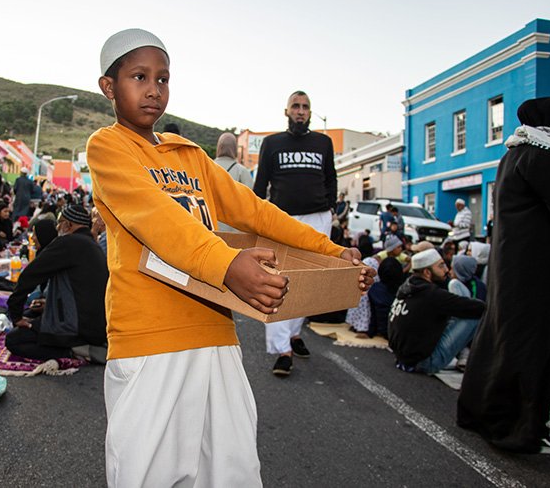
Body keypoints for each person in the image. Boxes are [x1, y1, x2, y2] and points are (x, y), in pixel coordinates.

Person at [88, 29, 374, 487]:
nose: (154, 90)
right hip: (150, 336)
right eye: (139, 77)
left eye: (163, 79)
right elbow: (159, 219)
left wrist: (332, 251)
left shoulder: (191, 156)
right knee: (149, 474)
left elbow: (256, 212)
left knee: (231, 472)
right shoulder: (108, 147)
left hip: (216, 333)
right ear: (109, 87)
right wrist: (226, 264)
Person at [457, 97, 550, 455]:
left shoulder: (515, 155)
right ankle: (518, 428)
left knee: (501, 341)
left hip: (514, 272)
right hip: (538, 276)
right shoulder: (546, 158)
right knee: (532, 352)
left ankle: (482, 413)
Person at [252, 90, 338, 375]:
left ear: (310, 113)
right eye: (295, 106)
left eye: (305, 107)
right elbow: (260, 184)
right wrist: (255, 219)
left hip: (317, 219)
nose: (300, 111)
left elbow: (330, 178)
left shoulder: (323, 143)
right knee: (278, 280)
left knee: (306, 282)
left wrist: (331, 208)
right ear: (286, 111)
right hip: (282, 219)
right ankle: (281, 350)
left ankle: (293, 333)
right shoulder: (272, 143)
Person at [5, 205, 108, 362]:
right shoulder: (91, 245)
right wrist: (48, 305)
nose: (58, 228)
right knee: (31, 316)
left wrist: (16, 315)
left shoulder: (69, 242)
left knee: (14, 340)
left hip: (78, 328)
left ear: (68, 225)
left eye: (60, 223)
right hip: (95, 325)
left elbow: (30, 275)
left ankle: (72, 351)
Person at [388, 248, 485, 375]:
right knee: (477, 314)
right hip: (425, 362)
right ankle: (477, 357)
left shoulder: (407, 287)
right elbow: (477, 308)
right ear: (427, 272)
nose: (446, 270)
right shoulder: (431, 295)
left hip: (402, 357)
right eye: (441, 266)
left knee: (456, 289)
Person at [367, 257, 404, 339]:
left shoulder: (374, 289)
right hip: (400, 332)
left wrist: (370, 333)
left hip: (383, 331)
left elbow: (373, 315)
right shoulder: (405, 290)